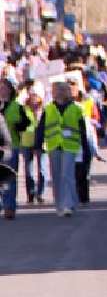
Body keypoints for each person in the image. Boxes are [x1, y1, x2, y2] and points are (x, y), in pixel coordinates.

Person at [33, 81, 84, 217]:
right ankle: (60, 205)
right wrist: (37, 144)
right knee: (56, 176)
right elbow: (41, 128)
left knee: (67, 175)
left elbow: (82, 129)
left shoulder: (76, 109)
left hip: (70, 145)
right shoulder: (49, 109)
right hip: (54, 145)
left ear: (66, 92)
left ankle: (69, 204)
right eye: (55, 90)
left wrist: (85, 147)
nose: (58, 93)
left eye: (60, 90)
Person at [0, 79, 29, 220]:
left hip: (11, 147)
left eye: (3, 88)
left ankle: (9, 207)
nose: (1, 90)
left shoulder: (17, 107)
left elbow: (25, 124)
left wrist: (16, 124)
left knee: (9, 178)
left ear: (10, 90)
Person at [18, 83, 47, 205]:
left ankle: (41, 193)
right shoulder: (23, 108)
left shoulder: (45, 110)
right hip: (27, 141)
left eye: (36, 95)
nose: (34, 97)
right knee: (28, 170)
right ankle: (30, 193)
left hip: (41, 142)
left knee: (42, 169)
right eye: (32, 94)